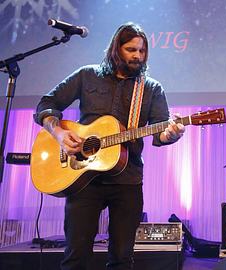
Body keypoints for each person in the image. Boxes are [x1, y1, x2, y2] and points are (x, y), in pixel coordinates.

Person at [34, 22, 185, 269]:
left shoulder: (150, 88)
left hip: (127, 181)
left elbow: (160, 133)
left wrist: (172, 134)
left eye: (142, 51)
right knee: (76, 257)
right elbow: (46, 103)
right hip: (83, 180)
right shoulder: (87, 75)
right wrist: (59, 133)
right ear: (116, 49)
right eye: (131, 50)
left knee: (122, 258)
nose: (138, 56)